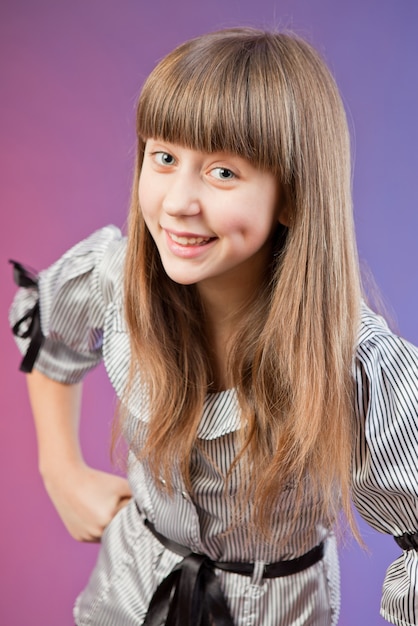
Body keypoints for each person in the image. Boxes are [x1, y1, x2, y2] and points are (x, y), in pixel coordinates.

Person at [9, 27, 418, 626]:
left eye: (223, 173)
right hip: (128, 590)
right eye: (164, 157)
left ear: (292, 195)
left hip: (276, 608)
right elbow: (53, 326)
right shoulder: (115, 278)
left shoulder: (355, 368)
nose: (178, 201)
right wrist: (61, 471)